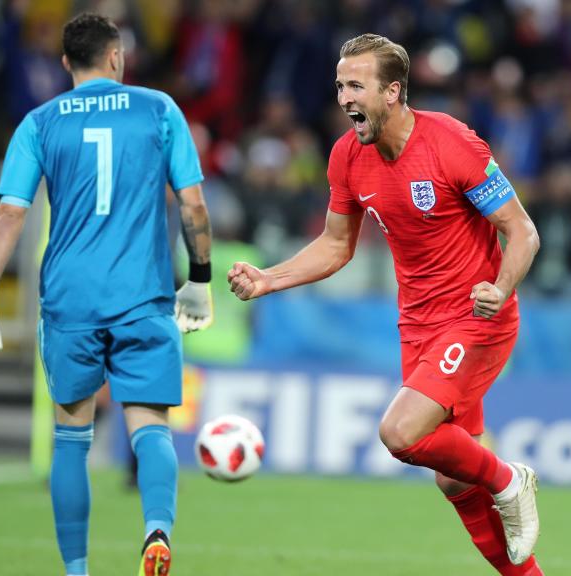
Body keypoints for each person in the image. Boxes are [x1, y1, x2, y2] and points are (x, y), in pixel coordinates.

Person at [228, 34, 543, 574]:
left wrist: (503, 286)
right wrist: (268, 279)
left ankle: (510, 479)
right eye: (339, 86)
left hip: (477, 315)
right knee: (451, 477)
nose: (345, 97)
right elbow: (334, 245)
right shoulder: (348, 156)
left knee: (400, 433)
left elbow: (523, 231)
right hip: (418, 326)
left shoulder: (451, 143)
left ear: (393, 91)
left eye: (356, 85)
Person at [0, 13, 213, 576]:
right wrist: (198, 278)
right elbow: (193, 204)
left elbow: (9, 213)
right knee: (149, 425)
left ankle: (76, 570)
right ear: (118, 58)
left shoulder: (40, 122)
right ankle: (156, 529)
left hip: (70, 300)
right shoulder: (159, 109)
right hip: (142, 296)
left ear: (65, 63)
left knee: (70, 437)